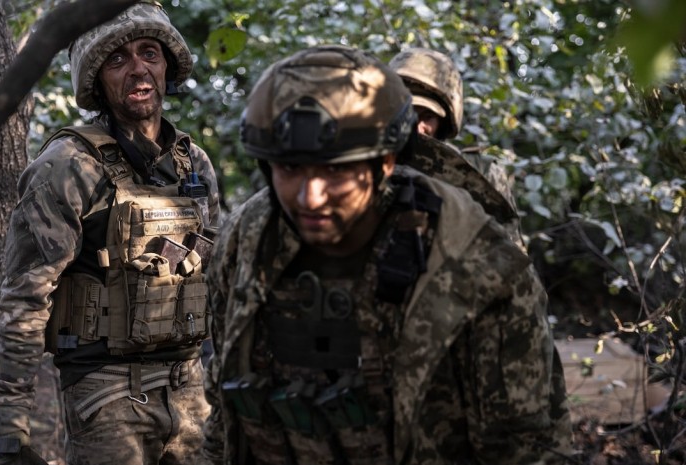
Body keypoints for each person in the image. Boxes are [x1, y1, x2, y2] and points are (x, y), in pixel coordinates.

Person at [201, 45, 572, 465]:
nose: (311, 197)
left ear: (387, 161)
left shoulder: (477, 262)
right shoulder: (248, 240)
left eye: (337, 169)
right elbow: (224, 412)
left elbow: (528, 446)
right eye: (290, 169)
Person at [0, 2, 219, 464]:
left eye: (149, 53)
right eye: (118, 59)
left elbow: (218, 281)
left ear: (166, 63)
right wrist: (11, 432)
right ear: (95, 78)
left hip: (192, 390)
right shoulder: (68, 166)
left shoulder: (195, 164)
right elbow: (25, 297)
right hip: (107, 393)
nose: (138, 70)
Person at [390, 47, 522, 245]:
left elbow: (510, 252)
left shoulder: (477, 172)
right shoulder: (367, 163)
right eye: (408, 113)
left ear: (444, 122)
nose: (417, 127)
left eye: (427, 117)